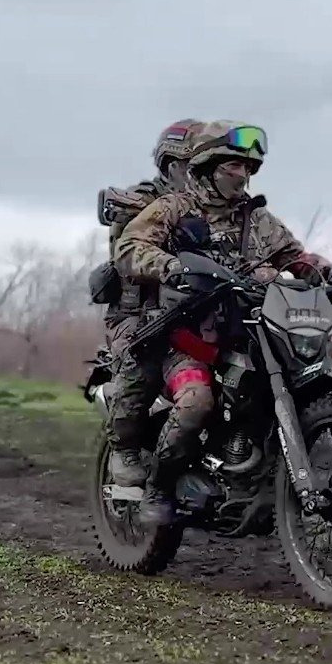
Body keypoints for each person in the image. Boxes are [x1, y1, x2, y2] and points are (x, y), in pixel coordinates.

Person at [114, 120, 332, 525]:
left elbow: (294, 256)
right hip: (185, 332)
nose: (243, 175)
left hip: (247, 326)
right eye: (233, 166)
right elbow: (130, 247)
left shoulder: (255, 217)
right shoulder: (174, 207)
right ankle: (158, 487)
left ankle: (267, 473)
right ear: (207, 167)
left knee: (292, 379)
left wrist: (330, 272)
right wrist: (171, 267)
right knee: (196, 401)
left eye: (248, 168)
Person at [98, 119, 206, 489]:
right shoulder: (145, 203)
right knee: (143, 357)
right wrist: (168, 264)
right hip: (139, 313)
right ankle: (123, 447)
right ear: (171, 165)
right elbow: (127, 254)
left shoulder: (219, 207)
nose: (197, 175)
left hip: (196, 312)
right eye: (190, 166)